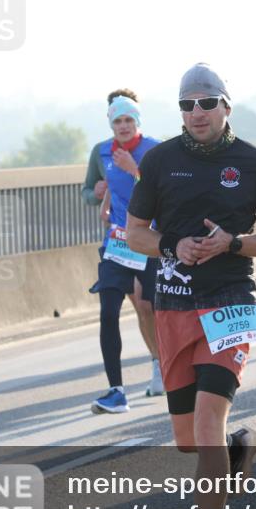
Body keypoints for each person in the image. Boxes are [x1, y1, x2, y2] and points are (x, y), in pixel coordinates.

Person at [126, 63, 256, 509]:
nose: (196, 112)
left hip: (229, 303)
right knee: (189, 442)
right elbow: (134, 234)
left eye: (206, 102)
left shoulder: (254, 163)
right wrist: (172, 245)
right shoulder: (159, 161)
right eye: (186, 104)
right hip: (173, 306)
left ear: (226, 107)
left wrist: (233, 243)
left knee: (204, 425)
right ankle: (238, 447)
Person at [81, 92, 163, 412]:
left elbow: (163, 190)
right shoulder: (102, 152)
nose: (124, 126)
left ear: (138, 122)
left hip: (152, 241)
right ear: (111, 124)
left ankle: (165, 367)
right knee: (108, 312)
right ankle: (116, 390)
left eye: (129, 120)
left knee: (152, 306)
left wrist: (134, 169)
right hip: (117, 242)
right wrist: (99, 197)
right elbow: (92, 190)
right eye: (118, 120)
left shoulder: (154, 149)